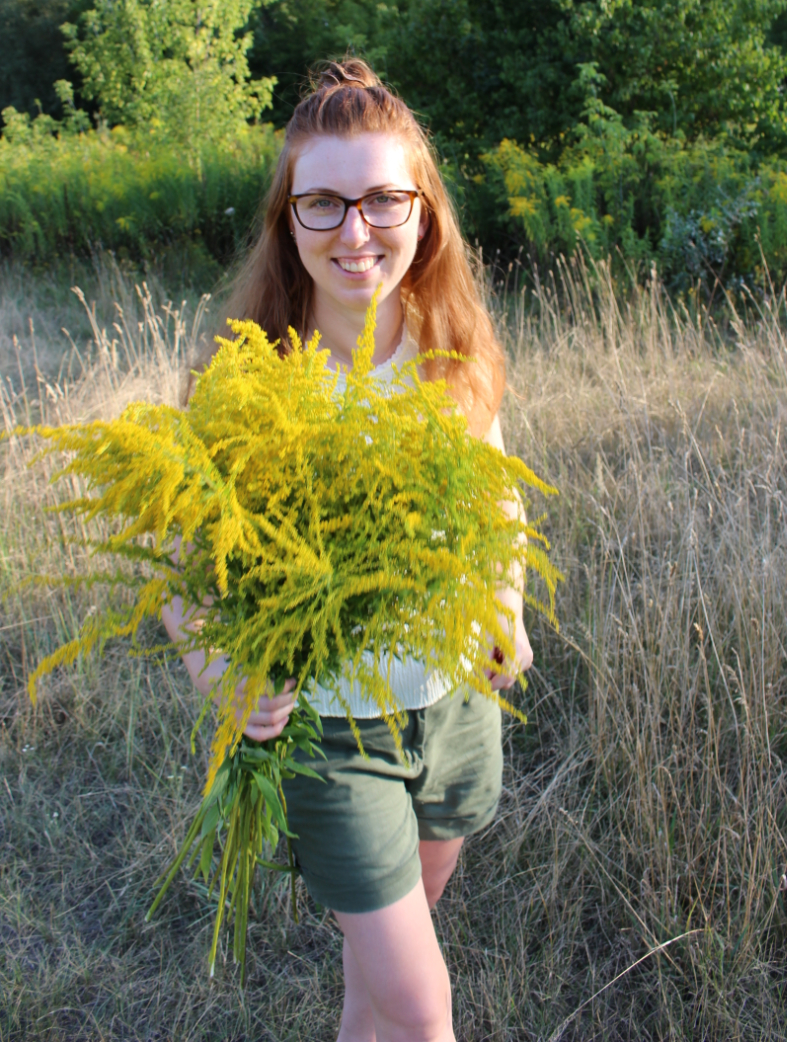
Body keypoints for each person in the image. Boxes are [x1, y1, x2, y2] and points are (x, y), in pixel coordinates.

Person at [161, 59, 533, 1042]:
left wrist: (509, 604)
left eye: (380, 198)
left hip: (453, 712)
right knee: (422, 1011)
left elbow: (498, 506)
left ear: (424, 211)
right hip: (329, 734)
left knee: (374, 996)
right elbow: (176, 562)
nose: (354, 229)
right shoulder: (247, 377)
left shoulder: (452, 358)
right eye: (321, 202)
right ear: (287, 219)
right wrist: (218, 667)